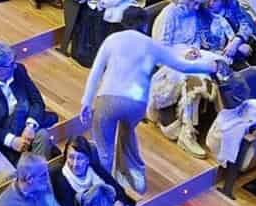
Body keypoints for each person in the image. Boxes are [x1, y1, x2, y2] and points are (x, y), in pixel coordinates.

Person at [79, 27, 225, 196]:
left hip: (108, 98)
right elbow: (183, 66)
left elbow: (96, 72)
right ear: (144, 27)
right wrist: (211, 66)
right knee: (127, 135)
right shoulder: (151, 45)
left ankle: (101, 192)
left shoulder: (112, 39)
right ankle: (135, 177)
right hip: (136, 103)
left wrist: (86, 102)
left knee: (104, 149)